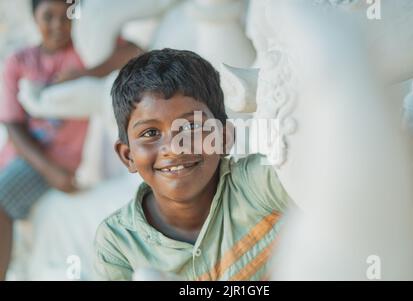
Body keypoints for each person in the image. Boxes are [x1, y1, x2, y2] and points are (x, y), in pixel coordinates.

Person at [94, 49, 293, 281]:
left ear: (225, 137)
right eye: (150, 132)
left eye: (191, 127)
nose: (175, 148)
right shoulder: (118, 243)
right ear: (128, 156)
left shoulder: (260, 184)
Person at [0, 0, 89, 280]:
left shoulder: (83, 54)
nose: (57, 25)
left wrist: (86, 74)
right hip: (27, 158)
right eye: (48, 17)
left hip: (59, 159)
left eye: (66, 17)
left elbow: (131, 49)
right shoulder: (19, 61)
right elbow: (13, 125)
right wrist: (49, 172)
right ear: (34, 17)